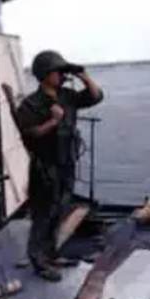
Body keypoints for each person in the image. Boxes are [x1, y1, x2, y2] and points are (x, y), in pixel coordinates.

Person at [14, 50, 104, 281]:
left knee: (60, 210)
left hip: (67, 163)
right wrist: (53, 121)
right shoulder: (30, 104)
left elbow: (95, 97)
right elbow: (30, 134)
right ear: (45, 75)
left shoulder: (67, 96)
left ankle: (51, 254)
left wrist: (83, 76)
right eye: (58, 71)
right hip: (45, 167)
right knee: (43, 214)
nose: (63, 75)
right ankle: (38, 261)